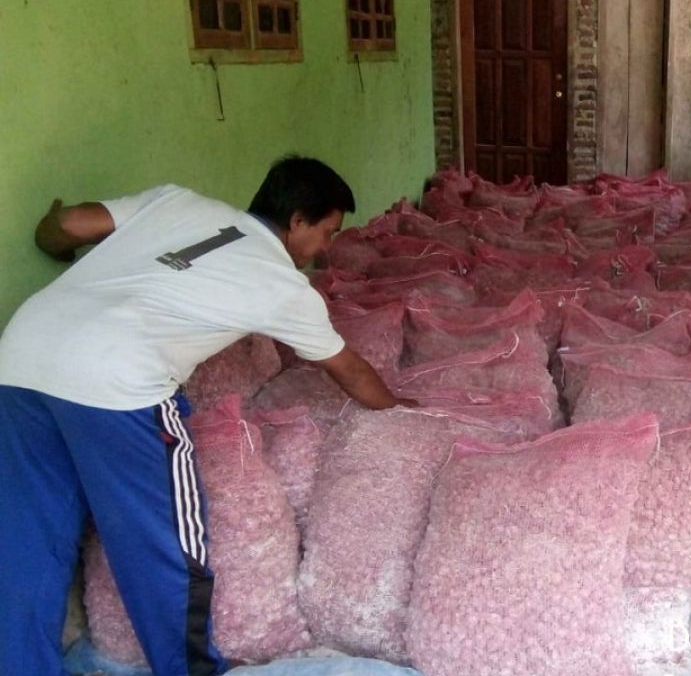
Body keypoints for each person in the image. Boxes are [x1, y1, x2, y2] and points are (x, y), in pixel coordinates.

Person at [0, 156, 411, 675]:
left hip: (19, 356)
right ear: (299, 220)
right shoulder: (283, 286)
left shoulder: (179, 201)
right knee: (165, 541)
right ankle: (192, 670)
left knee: (26, 537)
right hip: (117, 380)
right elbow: (349, 370)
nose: (325, 249)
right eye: (327, 233)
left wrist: (53, 242)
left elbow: (66, 226)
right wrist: (403, 413)